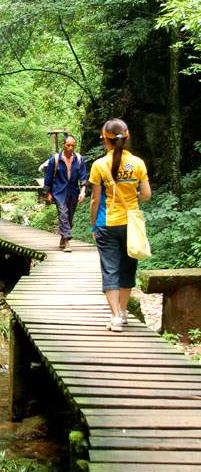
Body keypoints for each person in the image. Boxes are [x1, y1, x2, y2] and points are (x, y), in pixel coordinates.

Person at [89, 118, 151, 332]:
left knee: (110, 269)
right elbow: (146, 194)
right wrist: (132, 200)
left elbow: (95, 200)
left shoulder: (99, 165)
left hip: (106, 224)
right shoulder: (138, 163)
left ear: (105, 140)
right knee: (127, 268)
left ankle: (114, 317)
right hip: (131, 223)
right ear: (127, 138)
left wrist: (92, 226)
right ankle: (123, 313)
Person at [44, 135, 87, 252]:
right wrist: (49, 193)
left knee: (69, 216)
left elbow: (83, 177)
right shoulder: (55, 160)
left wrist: (83, 191)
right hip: (59, 192)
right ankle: (67, 241)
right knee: (63, 214)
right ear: (63, 144)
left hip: (73, 191)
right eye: (68, 145)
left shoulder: (79, 159)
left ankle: (63, 236)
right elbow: (48, 177)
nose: (70, 147)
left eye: (73, 145)